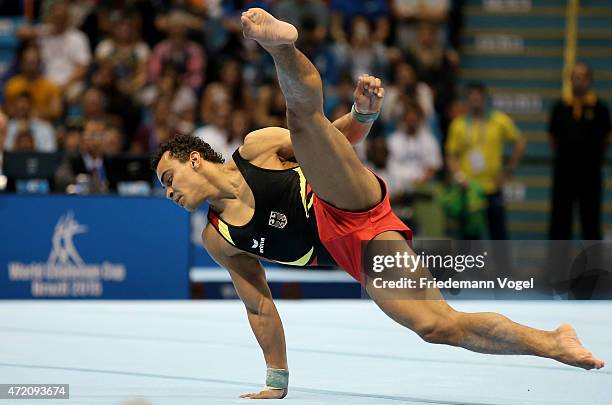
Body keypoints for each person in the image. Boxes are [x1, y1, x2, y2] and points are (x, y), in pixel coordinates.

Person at [152, 9, 603, 400]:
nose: (169, 192)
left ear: (195, 158)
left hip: (342, 198)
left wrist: (361, 118)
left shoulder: (256, 148)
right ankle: (553, 341)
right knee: (437, 325)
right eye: (164, 188)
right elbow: (259, 306)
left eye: (169, 178)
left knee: (306, 124)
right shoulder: (220, 239)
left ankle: (282, 47)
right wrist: (276, 377)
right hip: (357, 252)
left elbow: (330, 142)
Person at [445, 82, 526, 239]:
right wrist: (458, 176)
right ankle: (468, 264)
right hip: (469, 190)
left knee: (499, 235)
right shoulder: (459, 124)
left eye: (478, 97)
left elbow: (520, 141)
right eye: (471, 97)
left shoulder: (498, 120)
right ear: (466, 100)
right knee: (469, 239)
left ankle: (502, 265)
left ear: (484, 98)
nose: (475, 101)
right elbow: (451, 154)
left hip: (493, 188)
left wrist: (509, 169)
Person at [548, 63, 611, 240]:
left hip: (590, 174)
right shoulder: (560, 107)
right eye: (575, 76)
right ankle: (556, 266)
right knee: (560, 222)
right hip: (564, 173)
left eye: (582, 77)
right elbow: (552, 138)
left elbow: (606, 141)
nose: (578, 80)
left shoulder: (600, 108)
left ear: (590, 80)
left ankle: (592, 266)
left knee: (591, 223)